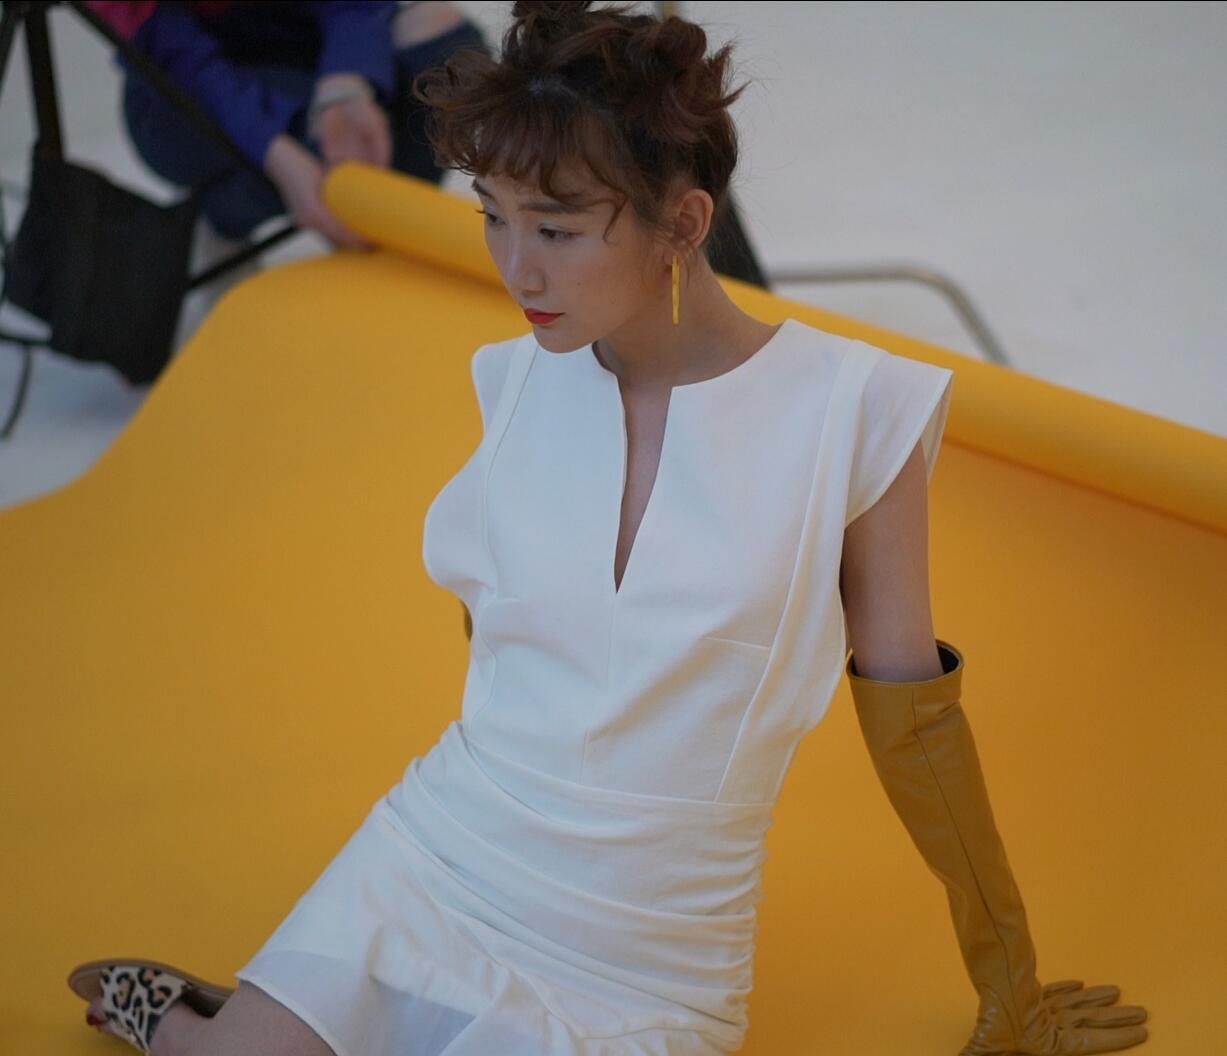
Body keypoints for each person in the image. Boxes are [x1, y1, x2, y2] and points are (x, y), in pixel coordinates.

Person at [66, 3, 1151, 1054]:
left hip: (647, 953)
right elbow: (511, 669)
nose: (517, 268)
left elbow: (915, 730)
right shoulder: (513, 379)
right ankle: (211, 1025)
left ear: (684, 223)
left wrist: (1008, 981)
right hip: (437, 863)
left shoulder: (854, 410)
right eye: (492, 215)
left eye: (557, 228)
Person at [84, 1, 492, 248]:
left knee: (454, 60)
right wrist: (274, 149)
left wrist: (347, 83)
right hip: (180, 91)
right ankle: (226, 215)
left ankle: (371, 223)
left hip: (298, 43)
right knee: (317, 142)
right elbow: (179, 56)